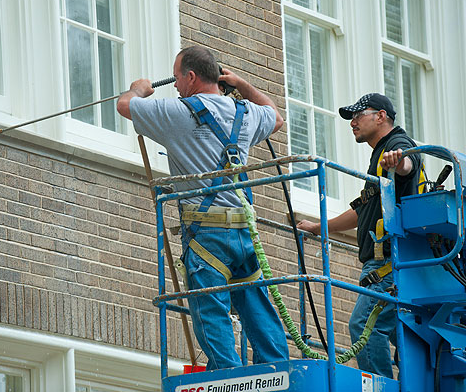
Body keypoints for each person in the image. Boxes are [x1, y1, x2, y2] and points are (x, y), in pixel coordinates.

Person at [117, 45, 289, 369]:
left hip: (206, 234)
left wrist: (139, 89)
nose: (177, 87)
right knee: (257, 310)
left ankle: (230, 381)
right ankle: (279, 376)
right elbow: (276, 116)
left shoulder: (179, 113)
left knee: (211, 317)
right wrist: (240, 83)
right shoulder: (245, 113)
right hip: (243, 232)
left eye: (179, 79)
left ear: (191, 77)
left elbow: (125, 106)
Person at [297, 93, 422, 378]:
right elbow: (363, 209)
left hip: (390, 264)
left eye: (358, 115)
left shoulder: (395, 145)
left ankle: (380, 387)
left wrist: (398, 162)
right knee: (400, 333)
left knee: (365, 327)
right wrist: (319, 228)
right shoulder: (378, 157)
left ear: (381, 116)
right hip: (387, 265)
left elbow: (407, 166)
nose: (352, 122)